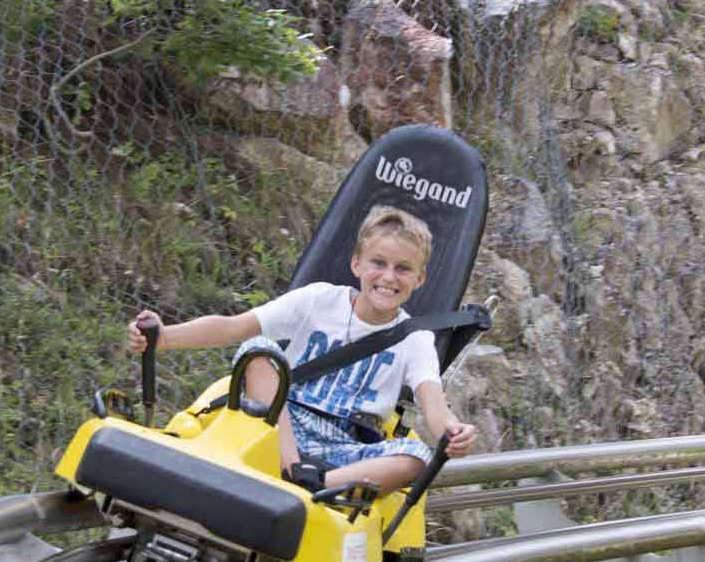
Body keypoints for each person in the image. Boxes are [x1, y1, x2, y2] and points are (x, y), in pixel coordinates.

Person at [127, 205, 478, 492]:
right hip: (281, 420)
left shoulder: (415, 340)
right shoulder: (318, 300)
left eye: (403, 269)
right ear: (357, 264)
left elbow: (432, 400)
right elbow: (234, 326)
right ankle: (290, 467)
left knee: (415, 455)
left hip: (344, 442)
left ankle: (317, 485)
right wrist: (165, 337)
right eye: (378, 263)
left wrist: (451, 429)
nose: (388, 277)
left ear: (419, 280)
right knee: (259, 348)